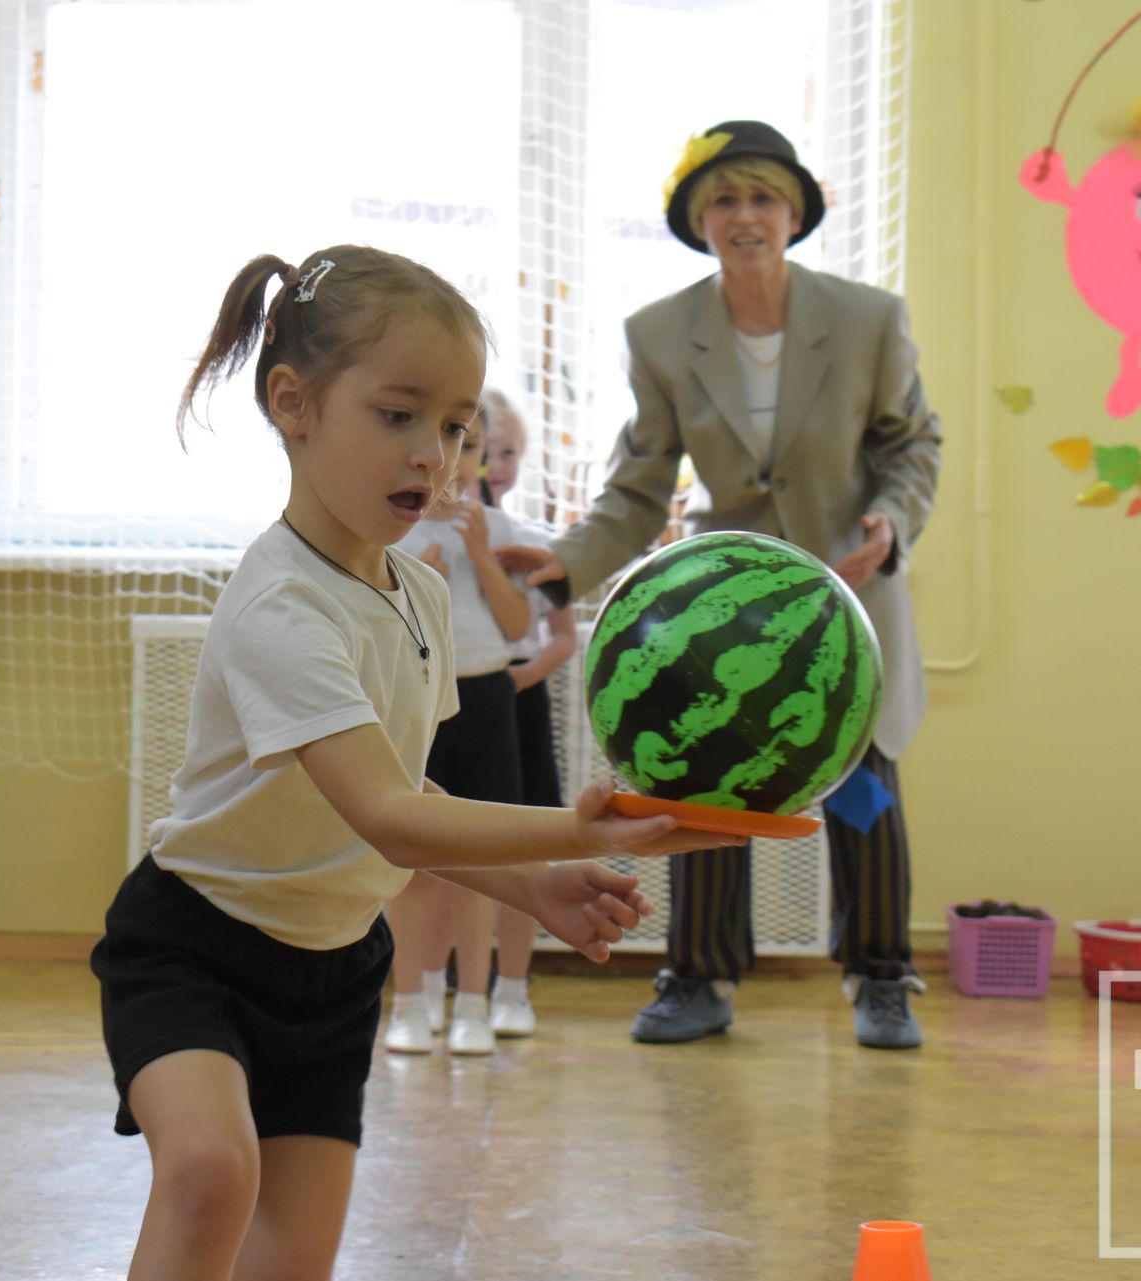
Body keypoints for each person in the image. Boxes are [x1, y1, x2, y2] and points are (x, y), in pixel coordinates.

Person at [92, 245, 717, 1281]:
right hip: (194, 947)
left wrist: (537, 884)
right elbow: (387, 815)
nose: (437, 453)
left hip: (335, 972)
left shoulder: (419, 596)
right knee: (208, 1174)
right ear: (291, 402)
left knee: (292, 1257)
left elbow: (406, 798)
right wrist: (580, 825)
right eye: (399, 415)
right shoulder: (280, 606)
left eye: (457, 425)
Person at [498, 121, 942, 1050]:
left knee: (865, 788)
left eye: (763, 198)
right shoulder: (662, 333)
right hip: (720, 611)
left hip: (845, 601)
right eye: (726, 200)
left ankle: (882, 976)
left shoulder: (867, 320)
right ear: (701, 220)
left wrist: (891, 523)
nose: (746, 217)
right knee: (703, 785)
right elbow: (639, 484)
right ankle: (695, 975)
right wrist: (566, 564)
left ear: (794, 214)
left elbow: (911, 446)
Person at [386, 400, 531, 1056]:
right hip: (416, 704)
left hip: (486, 701)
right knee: (414, 866)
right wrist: (422, 589)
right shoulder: (394, 534)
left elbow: (518, 626)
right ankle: (411, 1001)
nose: (461, 460)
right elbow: (386, 637)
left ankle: (475, 1001)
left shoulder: (502, 530)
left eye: (473, 446)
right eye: (453, 442)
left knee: (481, 861)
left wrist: (482, 554)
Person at [475, 389, 578, 1038]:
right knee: (451, 855)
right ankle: (446, 988)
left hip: (518, 709)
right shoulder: (424, 538)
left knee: (526, 855)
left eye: (510, 451)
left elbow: (564, 636)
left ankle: (513, 987)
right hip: (456, 707)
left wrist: (520, 678)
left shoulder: (533, 544)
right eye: (485, 450)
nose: (498, 464)